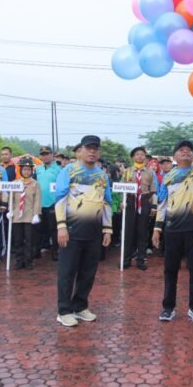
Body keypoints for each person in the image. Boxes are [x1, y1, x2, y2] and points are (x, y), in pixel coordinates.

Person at [55, 135, 113, 327]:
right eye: (88, 148)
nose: (92, 152)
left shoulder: (102, 176)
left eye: (95, 148)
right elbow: (60, 199)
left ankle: (80, 307)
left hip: (94, 232)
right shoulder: (69, 171)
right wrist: (61, 226)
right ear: (81, 150)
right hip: (71, 231)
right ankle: (64, 311)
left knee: (88, 272)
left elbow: (106, 203)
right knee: (67, 272)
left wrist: (107, 229)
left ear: (99, 152)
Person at [152, 140, 193, 322]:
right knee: (170, 270)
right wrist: (157, 228)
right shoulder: (167, 177)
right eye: (181, 150)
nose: (186, 152)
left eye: (189, 150)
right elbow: (162, 204)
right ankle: (168, 307)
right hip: (172, 231)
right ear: (174, 157)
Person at [121, 146, 157, 270]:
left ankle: (141, 259)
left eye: (142, 154)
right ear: (133, 157)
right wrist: (123, 201)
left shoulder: (150, 172)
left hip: (144, 200)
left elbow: (153, 191)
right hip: (130, 201)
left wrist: (152, 206)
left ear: (145, 157)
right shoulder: (127, 172)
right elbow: (121, 188)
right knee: (128, 232)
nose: (140, 156)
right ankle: (126, 259)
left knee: (143, 232)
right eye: (137, 154)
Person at [6, 158, 42, 270]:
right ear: (20, 170)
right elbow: (10, 198)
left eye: (29, 170)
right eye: (24, 169)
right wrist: (10, 210)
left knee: (29, 239)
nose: (26, 172)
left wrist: (36, 214)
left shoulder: (35, 184)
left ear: (32, 171)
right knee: (18, 239)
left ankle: (28, 261)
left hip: (29, 215)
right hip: (17, 215)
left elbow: (37, 200)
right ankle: (19, 260)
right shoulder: (14, 184)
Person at [35, 146, 61, 260]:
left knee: (53, 230)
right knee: (38, 229)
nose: (44, 156)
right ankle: (37, 250)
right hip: (39, 203)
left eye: (46, 154)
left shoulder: (59, 169)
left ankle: (55, 252)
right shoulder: (38, 169)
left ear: (52, 155)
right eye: (42, 154)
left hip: (52, 203)